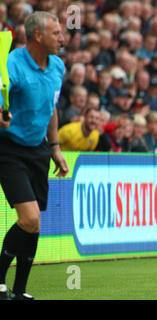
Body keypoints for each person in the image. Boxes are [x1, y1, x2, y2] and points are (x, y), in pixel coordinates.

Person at [0, 11, 68, 300]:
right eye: (56, 33)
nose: (62, 39)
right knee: (28, 218)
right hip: (9, 147)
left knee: (36, 222)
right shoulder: (11, 63)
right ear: (37, 36)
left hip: (39, 148)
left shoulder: (58, 67)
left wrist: (55, 147)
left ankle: (20, 290)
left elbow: (51, 109)